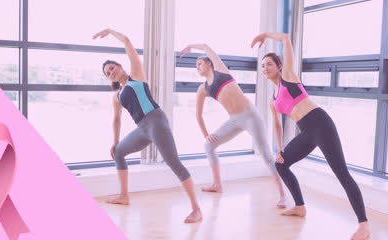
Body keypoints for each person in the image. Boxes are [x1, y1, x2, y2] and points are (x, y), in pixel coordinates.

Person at [251, 32, 369, 240]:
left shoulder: (288, 76)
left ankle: (363, 224)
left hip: (321, 124)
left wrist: (266, 35)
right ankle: (299, 206)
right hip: (306, 131)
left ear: (279, 66)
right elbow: (277, 125)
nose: (265, 68)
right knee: (281, 163)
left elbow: (286, 38)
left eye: (269, 64)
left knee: (341, 173)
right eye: (263, 66)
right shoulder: (273, 98)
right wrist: (279, 149)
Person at [93, 28, 202, 223]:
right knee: (118, 152)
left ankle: (196, 209)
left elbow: (127, 41)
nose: (111, 72)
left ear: (120, 65)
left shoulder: (136, 75)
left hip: (156, 121)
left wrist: (110, 32)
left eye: (112, 68)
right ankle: (124, 196)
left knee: (174, 163)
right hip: (142, 128)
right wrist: (115, 141)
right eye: (108, 73)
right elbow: (116, 120)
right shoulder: (117, 96)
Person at [180, 43, 286, 208]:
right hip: (234, 120)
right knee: (208, 145)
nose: (197, 67)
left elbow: (207, 47)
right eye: (196, 66)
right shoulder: (203, 89)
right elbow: (198, 115)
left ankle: (282, 195)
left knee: (266, 155)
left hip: (251, 116)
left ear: (209, 63)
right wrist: (205, 134)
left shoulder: (221, 71)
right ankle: (217, 184)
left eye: (199, 63)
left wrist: (192, 46)